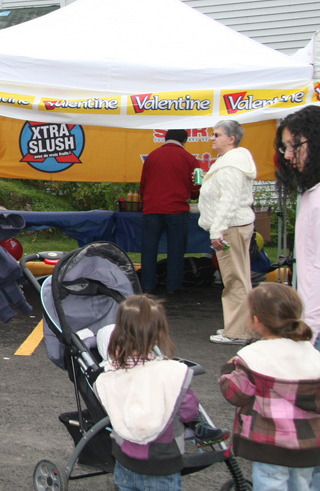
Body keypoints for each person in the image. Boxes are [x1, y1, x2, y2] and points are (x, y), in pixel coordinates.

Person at [94, 294, 207, 491]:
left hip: (125, 459)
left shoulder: (109, 377)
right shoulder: (171, 373)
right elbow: (188, 409)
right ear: (158, 336)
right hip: (162, 461)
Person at [219, 283, 320, 490]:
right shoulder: (312, 354)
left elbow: (236, 394)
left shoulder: (254, 357)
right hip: (309, 443)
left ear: (256, 320)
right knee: (302, 484)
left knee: (270, 484)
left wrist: (227, 371)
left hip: (268, 442)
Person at [198, 120, 256, 345]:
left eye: (217, 134)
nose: (212, 138)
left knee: (234, 279)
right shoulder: (229, 161)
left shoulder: (231, 165)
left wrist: (217, 230)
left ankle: (238, 332)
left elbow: (228, 201)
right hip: (232, 226)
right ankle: (238, 326)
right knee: (237, 278)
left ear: (231, 139)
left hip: (230, 227)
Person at [275, 106, 320, 350]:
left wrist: (309, 331)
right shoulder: (312, 193)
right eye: (285, 147)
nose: (289, 156)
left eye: (295, 146)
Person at [139, 129, 201, 294]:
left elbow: (143, 184)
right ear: (184, 141)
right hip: (177, 210)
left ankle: (147, 285)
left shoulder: (151, 156)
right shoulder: (193, 160)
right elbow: (198, 185)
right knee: (176, 250)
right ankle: (173, 287)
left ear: (165, 138)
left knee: (149, 250)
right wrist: (193, 193)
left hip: (152, 209)